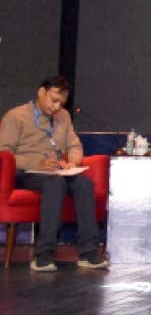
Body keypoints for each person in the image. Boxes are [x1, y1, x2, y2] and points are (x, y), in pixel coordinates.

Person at [0, 75, 108, 272]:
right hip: (26, 173)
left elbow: (75, 145)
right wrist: (37, 163)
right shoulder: (16, 116)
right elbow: (4, 153)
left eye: (61, 103)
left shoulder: (63, 117)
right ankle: (44, 254)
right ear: (41, 92)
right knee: (54, 184)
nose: (57, 106)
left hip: (55, 171)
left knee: (84, 184)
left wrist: (72, 162)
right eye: (54, 100)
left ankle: (88, 252)